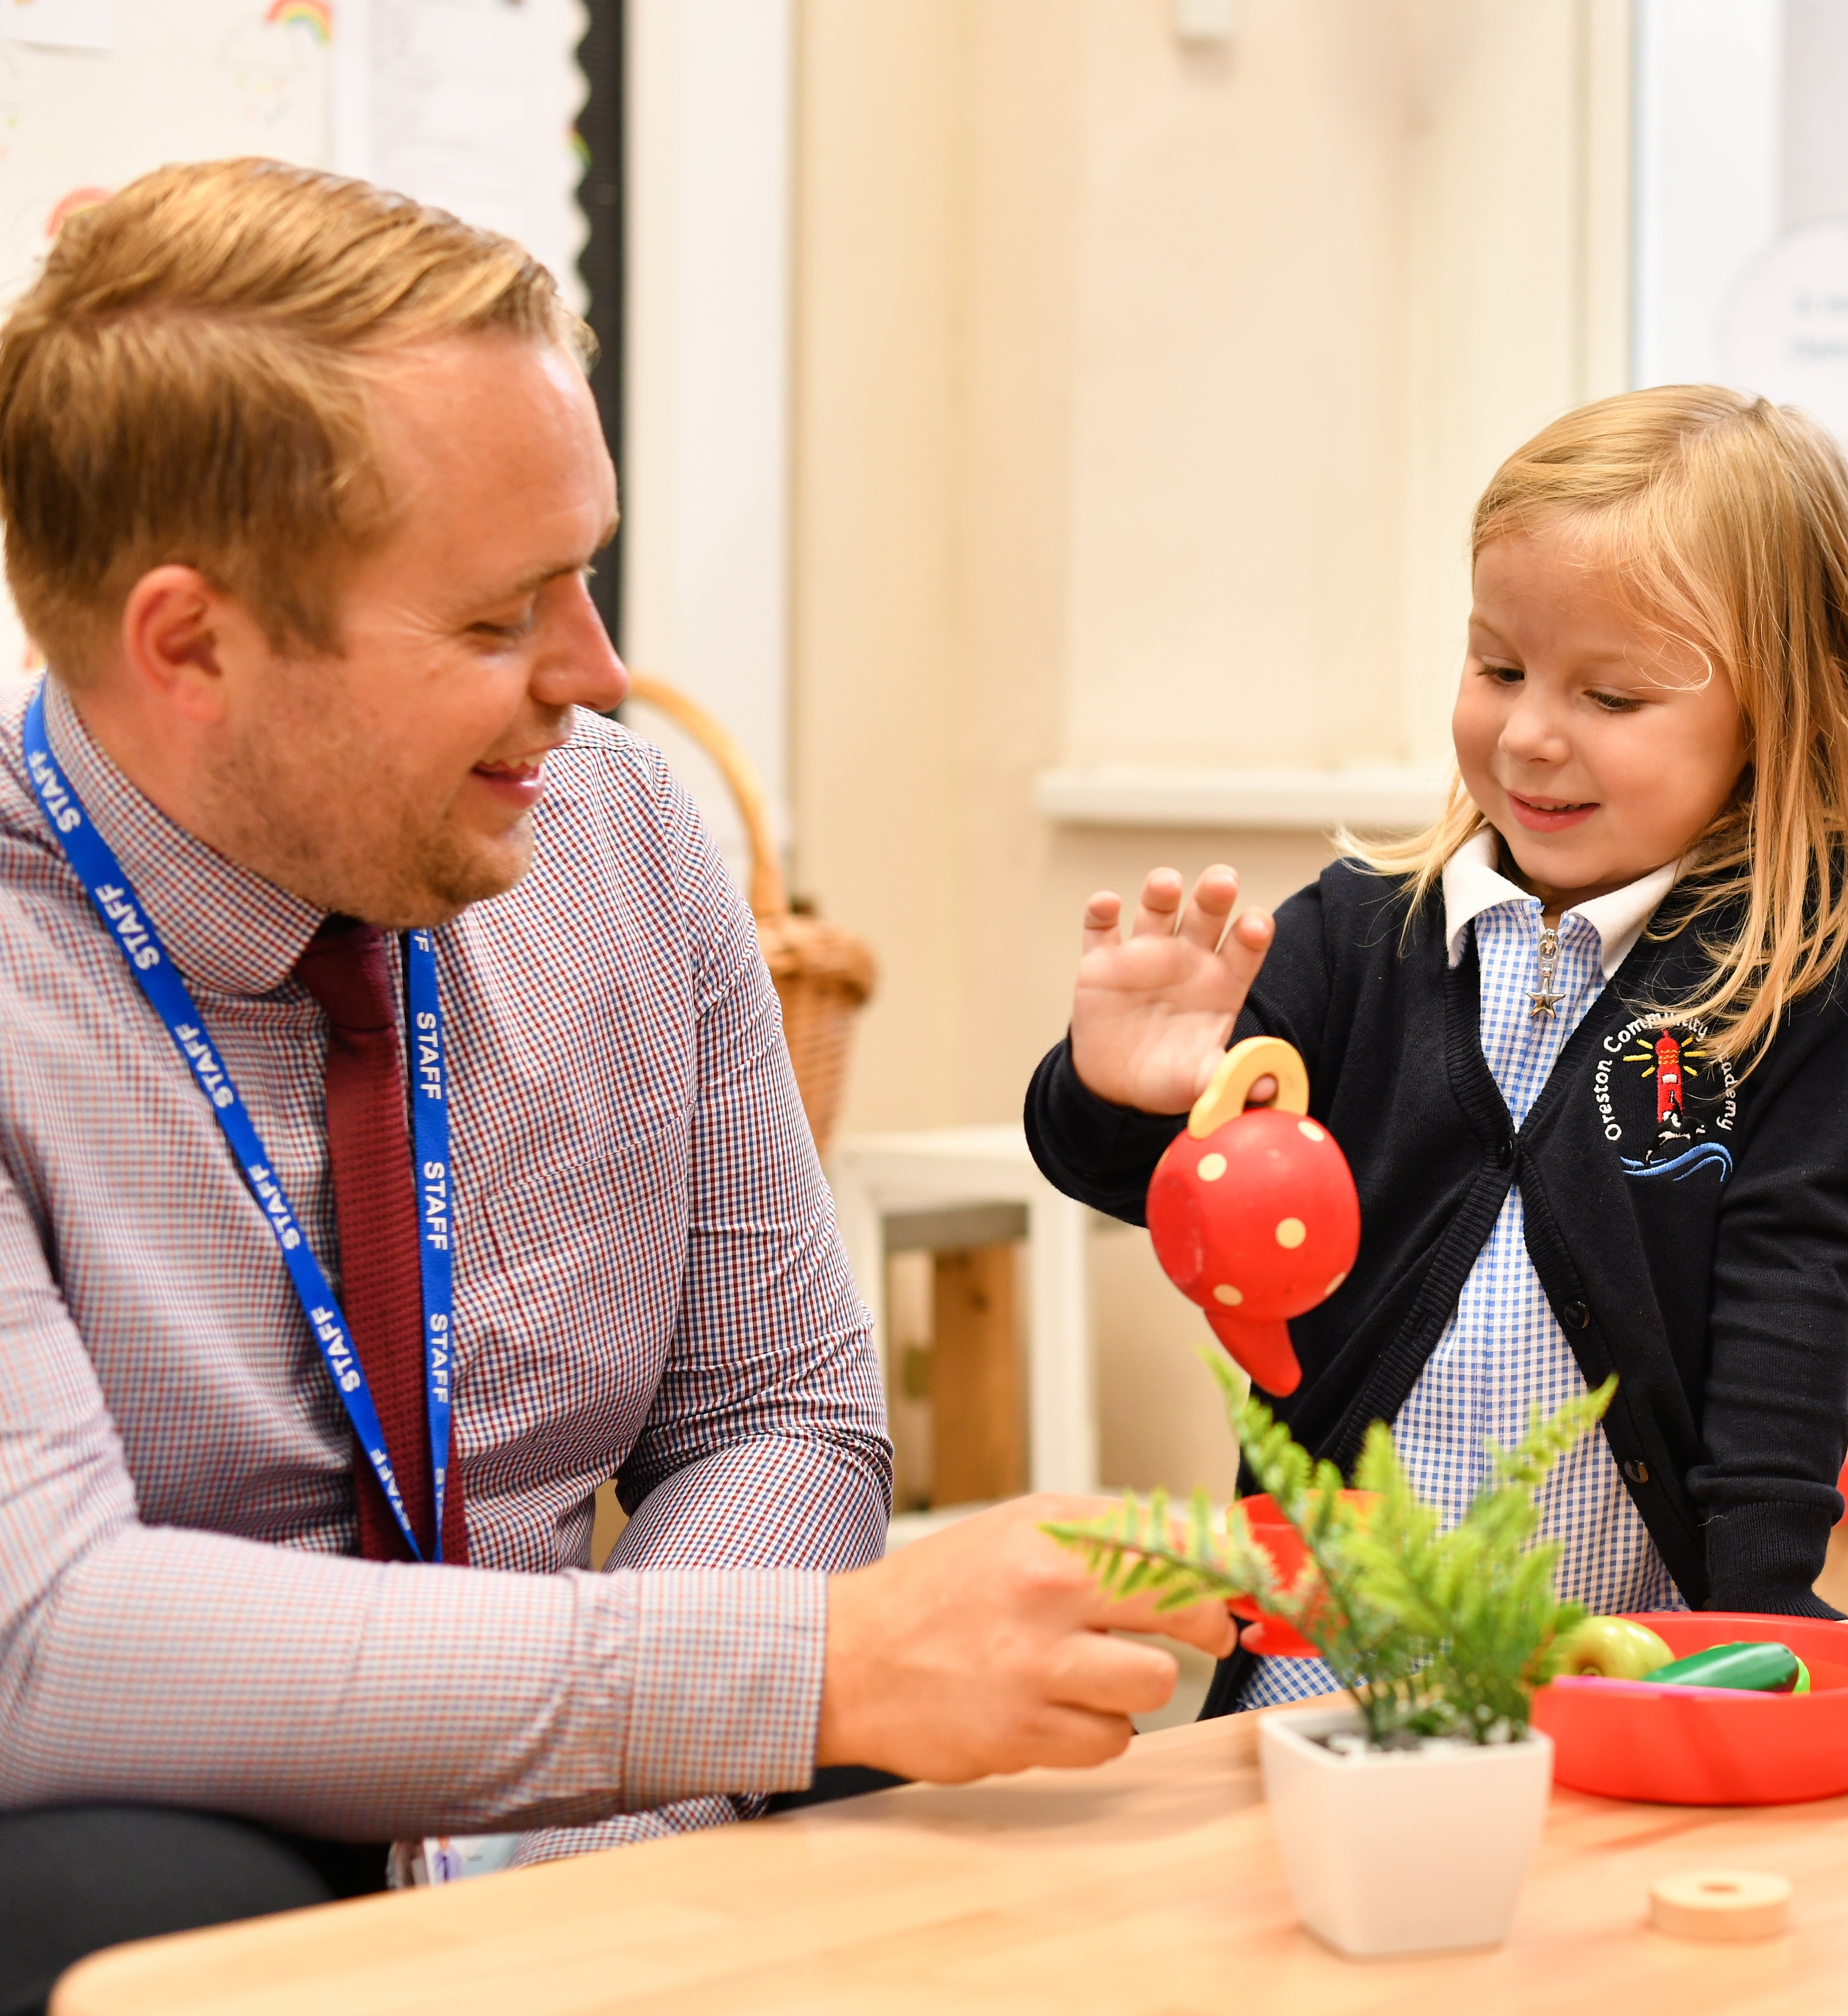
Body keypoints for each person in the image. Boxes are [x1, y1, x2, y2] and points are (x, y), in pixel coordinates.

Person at [0, 160, 1227, 2012]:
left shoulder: (614, 832)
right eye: (499, 617)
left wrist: (594, 1821)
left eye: (588, 569)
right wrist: (788, 1674)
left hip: (605, 1779)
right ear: (192, 647)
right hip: (169, 1796)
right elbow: (49, 1637)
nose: (596, 672)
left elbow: (781, 1408)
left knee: (1030, 1812)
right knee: (127, 1893)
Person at [1028, 386, 1848, 1712]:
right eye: (1496, 668)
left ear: (1776, 716)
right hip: (1324, 1676)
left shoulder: (1803, 960)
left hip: (1626, 1679)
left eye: (1611, 694)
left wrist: (1770, 1624)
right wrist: (1126, 1095)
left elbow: (1789, 1295)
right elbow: (1177, 1202)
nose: (1529, 732)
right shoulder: (1355, 933)